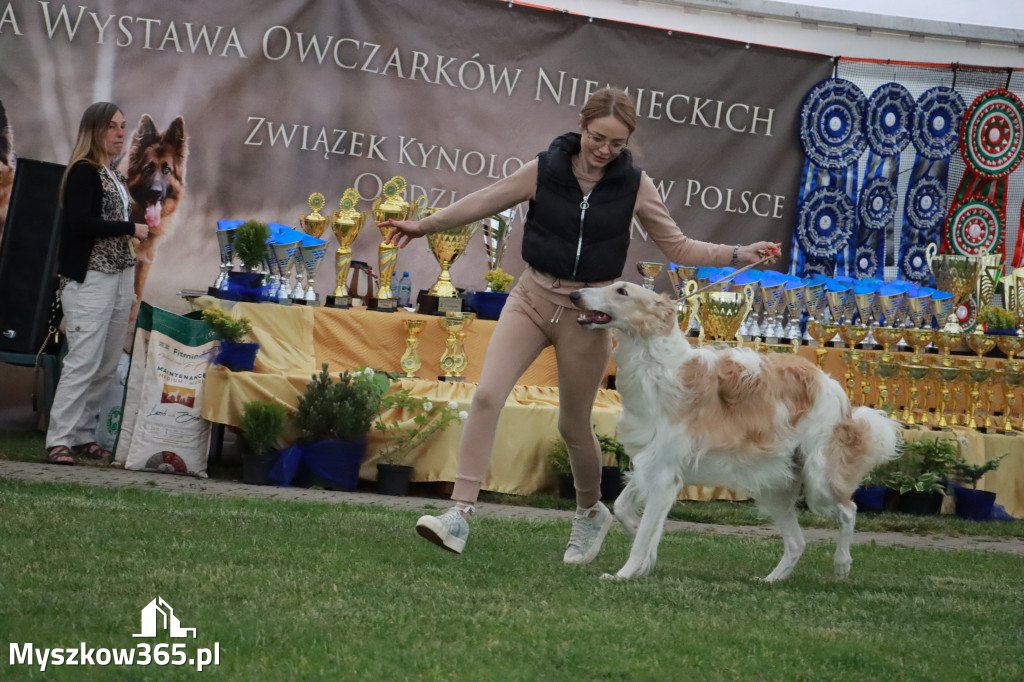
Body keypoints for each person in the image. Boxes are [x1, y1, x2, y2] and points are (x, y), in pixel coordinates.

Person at [382, 88, 780, 562]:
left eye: (617, 143)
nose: (605, 150)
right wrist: (423, 226)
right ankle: (460, 513)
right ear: (581, 125)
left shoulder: (635, 184)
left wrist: (739, 254)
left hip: (589, 316)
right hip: (531, 297)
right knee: (487, 395)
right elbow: (487, 200)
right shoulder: (545, 168)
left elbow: (678, 246)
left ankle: (590, 512)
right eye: (598, 137)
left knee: (573, 424)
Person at [44, 102, 157, 464]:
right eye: (112, 126)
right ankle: (58, 439)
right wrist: (130, 228)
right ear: (94, 130)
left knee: (107, 364)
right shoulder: (83, 171)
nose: (120, 133)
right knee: (82, 360)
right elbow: (81, 223)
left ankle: (83, 435)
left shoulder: (114, 175)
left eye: (123, 127)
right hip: (90, 277)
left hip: (120, 275)